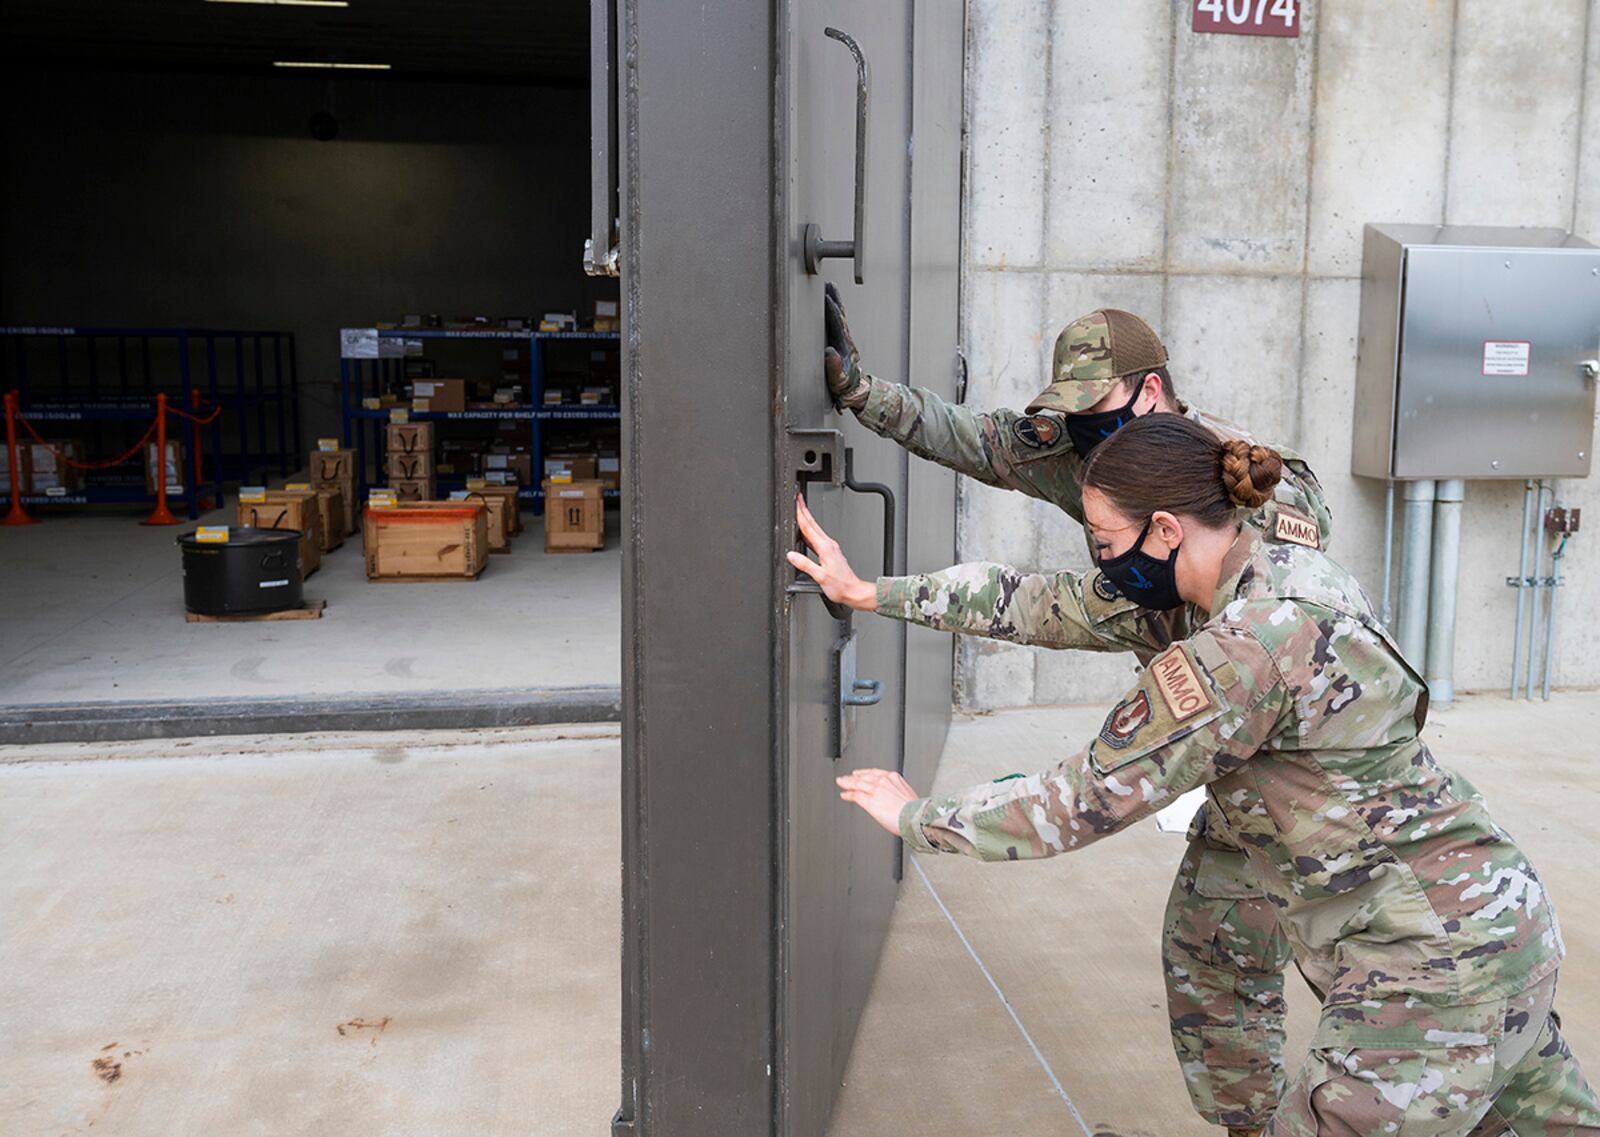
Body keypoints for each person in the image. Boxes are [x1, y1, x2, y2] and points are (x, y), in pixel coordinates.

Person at [789, 414, 1600, 1136]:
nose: (1102, 564)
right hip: (1502, 927)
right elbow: (1041, 600)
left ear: (1167, 531)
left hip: (1425, 976)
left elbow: (1080, 798)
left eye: (1106, 541)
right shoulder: (1289, 567)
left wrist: (917, 814)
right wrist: (866, 591)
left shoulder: (1240, 653)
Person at [825, 283, 1317, 1135]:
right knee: (1210, 952)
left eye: (1098, 413)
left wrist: (919, 817)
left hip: (1289, 764)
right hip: (1234, 774)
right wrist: (862, 395)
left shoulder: (1249, 525)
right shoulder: (1105, 495)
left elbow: (1079, 797)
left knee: (1361, 973)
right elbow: (997, 490)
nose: (1085, 447)